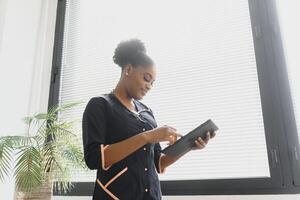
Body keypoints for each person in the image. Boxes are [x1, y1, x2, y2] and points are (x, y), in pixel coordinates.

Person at [82, 39, 215, 200]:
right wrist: (148, 136)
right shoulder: (100, 105)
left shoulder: (147, 113)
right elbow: (94, 158)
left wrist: (188, 146)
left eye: (152, 83)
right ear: (128, 69)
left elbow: (159, 162)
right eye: (146, 78)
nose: (149, 86)